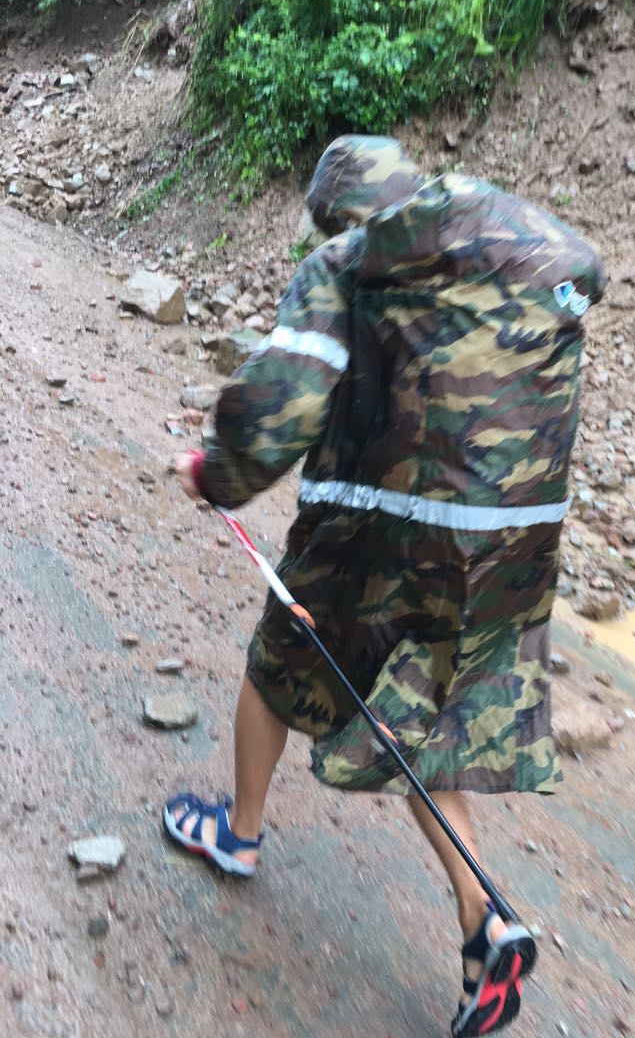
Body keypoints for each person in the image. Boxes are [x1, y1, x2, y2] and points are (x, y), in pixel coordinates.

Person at [167, 135, 604, 1036]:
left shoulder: (348, 264)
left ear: (336, 215)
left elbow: (281, 407)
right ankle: (487, 928)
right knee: (422, 719)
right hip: (515, 539)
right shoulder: (495, 254)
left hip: (389, 533)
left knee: (277, 660)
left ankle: (239, 834)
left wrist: (214, 474)